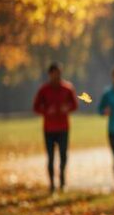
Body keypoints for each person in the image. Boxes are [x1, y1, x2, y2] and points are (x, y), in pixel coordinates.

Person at [33, 62, 79, 194]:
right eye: (54, 73)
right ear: (50, 74)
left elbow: (74, 105)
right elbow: (36, 107)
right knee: (51, 157)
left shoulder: (67, 88)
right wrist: (47, 111)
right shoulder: (44, 90)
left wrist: (67, 108)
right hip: (49, 128)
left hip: (63, 128)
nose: (57, 75)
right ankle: (52, 184)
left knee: (63, 155)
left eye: (59, 73)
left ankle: (62, 181)